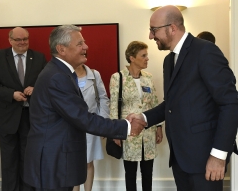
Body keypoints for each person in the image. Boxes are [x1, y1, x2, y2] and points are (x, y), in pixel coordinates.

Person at [127, 5, 238, 191]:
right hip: (180, 159)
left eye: (154, 30)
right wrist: (144, 118)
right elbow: (171, 104)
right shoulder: (169, 60)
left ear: (172, 28)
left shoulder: (205, 51)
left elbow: (230, 103)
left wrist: (219, 155)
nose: (150, 36)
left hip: (206, 158)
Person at [23, 24, 146, 191]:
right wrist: (126, 126)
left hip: (57, 161)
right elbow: (82, 118)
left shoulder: (61, 72)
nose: (86, 47)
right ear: (62, 49)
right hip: (53, 163)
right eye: (80, 43)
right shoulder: (57, 77)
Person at [0, 27, 47, 191]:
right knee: (9, 160)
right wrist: (11, 94)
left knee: (29, 159)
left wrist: (35, 88)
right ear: (10, 40)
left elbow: (48, 82)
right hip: (7, 117)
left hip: (32, 117)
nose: (22, 42)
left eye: (25, 39)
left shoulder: (39, 57)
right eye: (18, 40)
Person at [110, 41, 163, 191]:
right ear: (132, 58)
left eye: (147, 55)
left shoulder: (149, 77)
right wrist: (116, 132)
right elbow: (113, 105)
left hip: (148, 131)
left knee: (148, 172)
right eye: (143, 55)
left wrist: (159, 126)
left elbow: (154, 102)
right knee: (130, 172)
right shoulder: (118, 78)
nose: (147, 59)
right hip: (128, 132)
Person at [73, 64, 109, 191]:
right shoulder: (64, 74)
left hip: (90, 124)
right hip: (71, 125)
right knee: (73, 163)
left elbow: (103, 98)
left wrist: (103, 123)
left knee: (88, 162)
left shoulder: (94, 74)